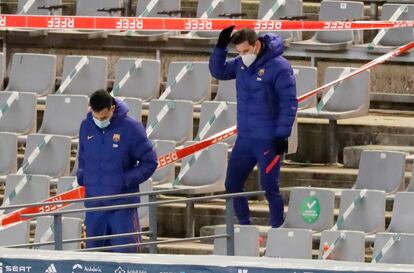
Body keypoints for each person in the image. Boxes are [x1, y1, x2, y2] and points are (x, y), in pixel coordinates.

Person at [209, 26, 298, 228]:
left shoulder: (280, 67)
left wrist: (282, 135)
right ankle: (245, 227)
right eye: (239, 52)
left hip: (268, 139)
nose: (242, 56)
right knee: (232, 184)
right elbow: (219, 71)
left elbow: (289, 103)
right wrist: (220, 48)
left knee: (269, 186)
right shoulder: (241, 64)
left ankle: (277, 227)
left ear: (256, 45)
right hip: (245, 138)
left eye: (245, 51)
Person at [77, 90, 157, 252]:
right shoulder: (86, 126)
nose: (100, 121)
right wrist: (82, 176)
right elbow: (82, 157)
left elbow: (150, 161)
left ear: (112, 108)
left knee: (128, 260)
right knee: (93, 262)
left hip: (122, 207)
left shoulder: (131, 128)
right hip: (94, 207)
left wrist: (125, 180)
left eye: (104, 118)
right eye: (96, 117)